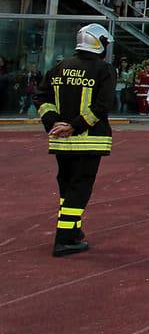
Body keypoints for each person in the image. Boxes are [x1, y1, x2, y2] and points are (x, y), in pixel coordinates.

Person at [34, 23, 117, 257]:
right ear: (99, 43)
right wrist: (75, 126)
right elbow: (102, 106)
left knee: (67, 186)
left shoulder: (59, 67)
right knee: (80, 188)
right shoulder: (104, 70)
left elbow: (41, 98)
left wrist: (54, 124)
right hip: (89, 141)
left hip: (61, 141)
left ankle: (74, 229)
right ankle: (64, 239)